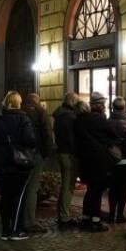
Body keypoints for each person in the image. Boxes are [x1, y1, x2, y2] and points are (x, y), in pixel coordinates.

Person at [0, 91, 37, 241]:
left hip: (1, 164)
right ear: (18, 103)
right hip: (19, 164)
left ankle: (5, 229)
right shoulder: (23, 119)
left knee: (5, 197)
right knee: (18, 197)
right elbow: (30, 140)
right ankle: (16, 230)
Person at [74, 92, 120, 232]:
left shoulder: (80, 119)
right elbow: (114, 134)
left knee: (90, 190)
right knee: (97, 190)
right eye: (103, 104)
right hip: (99, 160)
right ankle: (96, 220)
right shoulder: (100, 119)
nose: (104, 107)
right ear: (99, 105)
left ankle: (86, 218)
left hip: (85, 160)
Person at [21, 93, 54, 234]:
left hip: (22, 155)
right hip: (36, 154)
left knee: (24, 187)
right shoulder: (41, 112)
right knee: (32, 188)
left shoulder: (22, 112)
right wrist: (46, 153)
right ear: (38, 101)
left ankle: (21, 218)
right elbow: (47, 134)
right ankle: (29, 221)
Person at [52, 93, 80, 228]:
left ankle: (62, 215)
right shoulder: (69, 117)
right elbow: (71, 138)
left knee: (65, 184)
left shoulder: (59, 114)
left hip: (61, 151)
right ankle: (64, 217)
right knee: (68, 186)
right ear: (72, 102)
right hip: (69, 153)